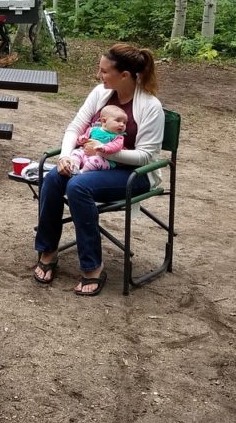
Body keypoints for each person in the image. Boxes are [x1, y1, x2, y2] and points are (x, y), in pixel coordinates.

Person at [33, 43, 164, 296]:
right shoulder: (100, 94)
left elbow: (147, 156)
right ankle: (48, 251)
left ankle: (93, 267)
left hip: (133, 174)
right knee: (53, 178)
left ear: (124, 75)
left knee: (78, 186)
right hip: (92, 165)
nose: (98, 75)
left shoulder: (150, 107)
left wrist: (106, 151)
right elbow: (75, 127)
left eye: (104, 71)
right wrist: (66, 157)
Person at [70, 104, 127, 172]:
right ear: (104, 121)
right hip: (86, 154)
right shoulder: (93, 129)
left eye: (125, 122)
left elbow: (116, 146)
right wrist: (82, 139)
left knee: (95, 160)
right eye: (118, 121)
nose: (122, 124)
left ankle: (82, 172)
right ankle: (74, 167)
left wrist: (103, 148)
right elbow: (81, 140)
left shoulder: (118, 137)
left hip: (103, 160)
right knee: (76, 152)